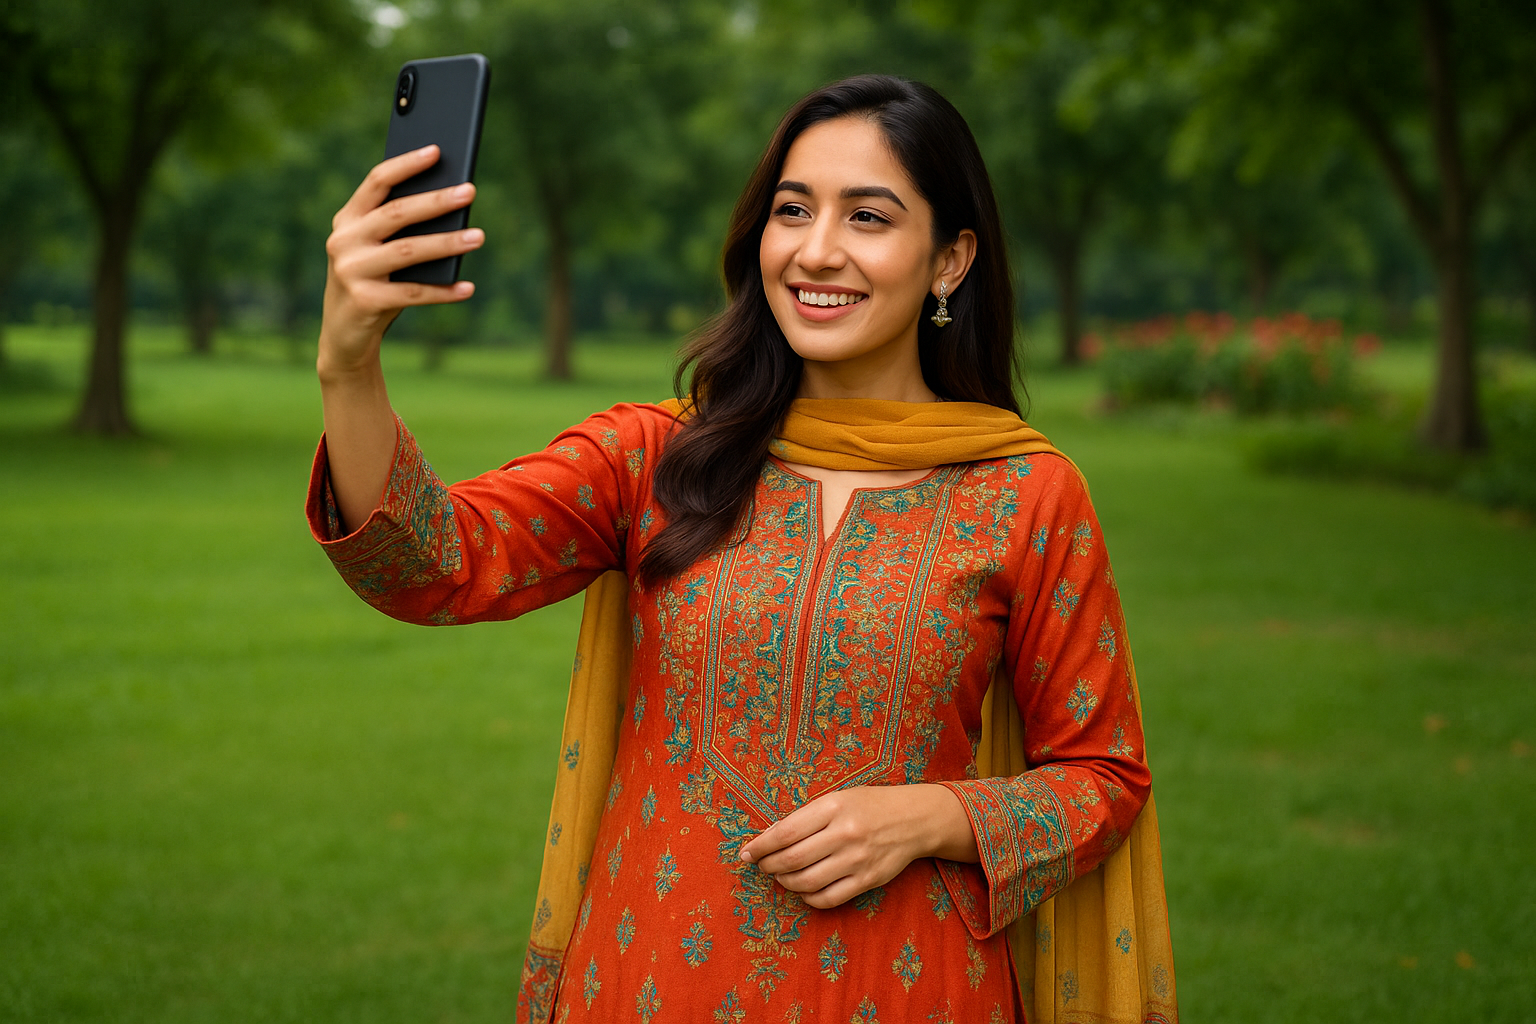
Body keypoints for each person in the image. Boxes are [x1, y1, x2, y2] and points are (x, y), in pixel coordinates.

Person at [308, 75, 1174, 1024]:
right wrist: (348, 367)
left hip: (907, 988)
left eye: (869, 218)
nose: (816, 250)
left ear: (951, 260)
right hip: (651, 981)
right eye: (791, 210)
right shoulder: (656, 459)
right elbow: (429, 563)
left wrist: (937, 816)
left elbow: (1104, 778)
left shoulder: (1024, 495)